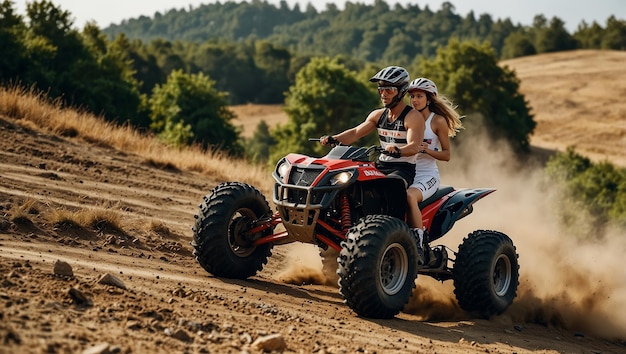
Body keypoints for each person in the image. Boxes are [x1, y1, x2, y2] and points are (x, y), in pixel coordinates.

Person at [320, 66, 424, 189]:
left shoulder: (412, 117)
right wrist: (334, 139)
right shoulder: (378, 115)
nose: (384, 94)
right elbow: (355, 133)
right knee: (351, 183)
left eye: (389, 90)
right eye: (381, 90)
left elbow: (414, 146)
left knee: (390, 186)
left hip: (402, 170)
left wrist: (398, 150)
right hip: (380, 166)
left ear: (401, 91)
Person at [405, 78, 463, 258]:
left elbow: (447, 155)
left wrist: (427, 150)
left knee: (409, 196)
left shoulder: (437, 121)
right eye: (412, 96)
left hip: (426, 175)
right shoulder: (406, 118)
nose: (414, 100)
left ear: (429, 99)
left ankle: (418, 242)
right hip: (406, 173)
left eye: (419, 96)